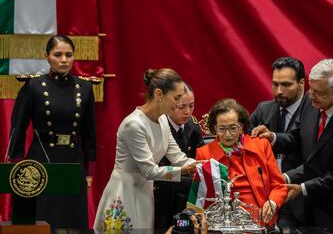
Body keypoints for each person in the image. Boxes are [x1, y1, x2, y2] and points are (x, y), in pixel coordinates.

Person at [259, 59, 333, 227]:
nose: (312, 96)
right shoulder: (312, 100)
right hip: (312, 209)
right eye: (311, 89)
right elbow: (297, 138)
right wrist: (273, 137)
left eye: (319, 92)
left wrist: (303, 188)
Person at [94, 68, 200, 231]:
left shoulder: (164, 120)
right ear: (159, 95)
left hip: (145, 192)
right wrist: (184, 171)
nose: (180, 104)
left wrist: (204, 165)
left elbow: (178, 157)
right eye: (176, 98)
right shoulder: (134, 124)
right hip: (125, 190)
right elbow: (149, 170)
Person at [8, 35, 96, 228]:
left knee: (71, 220)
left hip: (73, 160)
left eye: (68, 55)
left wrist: (89, 170)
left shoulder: (85, 88)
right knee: (43, 217)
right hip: (41, 159)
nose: (64, 60)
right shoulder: (34, 86)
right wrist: (16, 162)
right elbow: (18, 128)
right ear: (46, 56)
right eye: (57, 55)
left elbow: (90, 133)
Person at [196, 98, 287, 224]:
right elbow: (201, 198)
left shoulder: (261, 146)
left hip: (260, 220)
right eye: (221, 128)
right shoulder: (204, 154)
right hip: (223, 223)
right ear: (214, 128)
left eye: (233, 128)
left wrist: (272, 203)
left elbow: (279, 186)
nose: (227, 134)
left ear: (241, 127)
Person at [250, 57, 306, 227]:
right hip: (264, 197)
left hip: (299, 197)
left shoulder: (315, 111)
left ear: (301, 83)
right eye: (275, 84)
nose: (279, 91)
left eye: (286, 85)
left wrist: (285, 178)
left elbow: (317, 160)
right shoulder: (263, 109)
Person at [155, 82, 204, 228]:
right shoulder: (159, 125)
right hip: (162, 190)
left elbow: (198, 158)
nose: (188, 112)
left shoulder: (193, 127)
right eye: (182, 107)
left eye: (192, 105)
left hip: (185, 196)